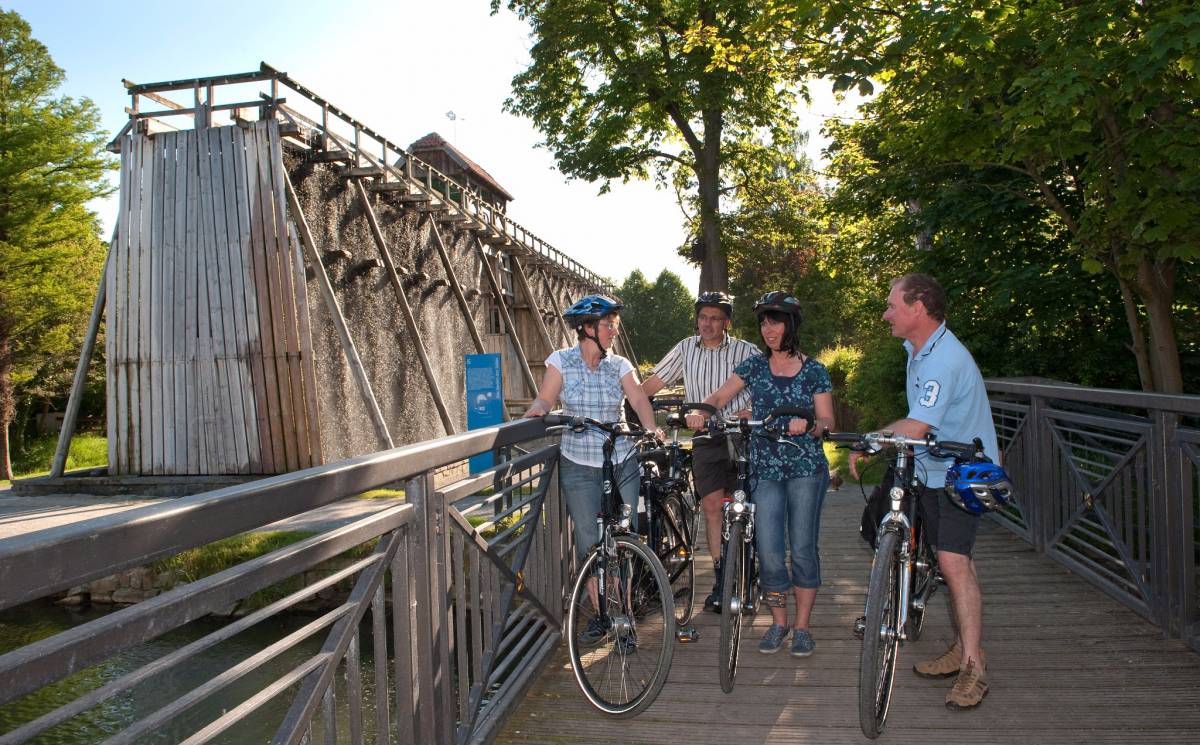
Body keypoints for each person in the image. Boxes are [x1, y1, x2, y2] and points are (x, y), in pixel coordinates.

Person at [849, 273, 1000, 710]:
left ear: (919, 308)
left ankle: (974, 665)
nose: (886, 313)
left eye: (892, 305)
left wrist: (872, 438)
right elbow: (919, 417)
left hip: (960, 473)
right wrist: (877, 438)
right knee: (911, 540)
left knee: (955, 563)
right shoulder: (916, 351)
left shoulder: (943, 360)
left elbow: (917, 426)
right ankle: (959, 645)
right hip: (931, 468)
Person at [687, 291, 835, 657]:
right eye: (765, 323)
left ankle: (802, 627)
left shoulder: (814, 370)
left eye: (776, 321)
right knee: (769, 551)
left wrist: (811, 424)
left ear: (792, 325)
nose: (769, 330)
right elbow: (721, 396)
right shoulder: (755, 366)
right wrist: (702, 412)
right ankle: (778, 622)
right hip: (765, 468)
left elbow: (828, 420)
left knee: (801, 549)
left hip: (805, 468)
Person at [523, 293, 661, 568]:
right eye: (608, 324)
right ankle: (599, 605)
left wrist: (650, 429)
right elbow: (546, 398)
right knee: (588, 541)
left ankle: (626, 600)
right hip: (578, 465)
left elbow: (638, 399)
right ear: (588, 328)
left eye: (615, 324)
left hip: (621, 459)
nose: (614, 330)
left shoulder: (620, 365)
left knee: (628, 533)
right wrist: (538, 408)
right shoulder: (560, 361)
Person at [641, 291, 759, 612]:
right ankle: (722, 577)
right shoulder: (685, 348)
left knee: (745, 505)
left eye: (715, 318)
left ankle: (749, 572)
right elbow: (653, 384)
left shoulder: (745, 351)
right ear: (697, 319)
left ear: (727, 322)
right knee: (710, 505)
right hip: (706, 436)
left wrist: (753, 409)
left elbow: (770, 387)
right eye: (703, 317)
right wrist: (630, 405)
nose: (708, 324)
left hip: (742, 436)